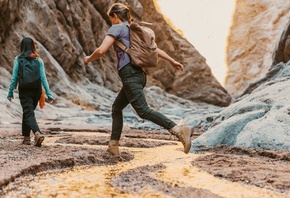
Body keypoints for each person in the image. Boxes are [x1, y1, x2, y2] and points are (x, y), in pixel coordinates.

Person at [84, 3, 192, 157]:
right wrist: (172, 61)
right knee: (116, 108)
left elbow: (101, 50)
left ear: (115, 16)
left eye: (111, 18)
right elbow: (155, 49)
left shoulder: (117, 28)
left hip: (130, 74)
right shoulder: (135, 29)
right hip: (140, 75)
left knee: (143, 111)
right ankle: (113, 146)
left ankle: (179, 130)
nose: (111, 22)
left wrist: (88, 59)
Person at [7, 37, 54, 147]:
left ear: (22, 47)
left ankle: (37, 133)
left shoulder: (18, 59)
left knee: (28, 113)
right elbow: (43, 78)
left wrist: (10, 91)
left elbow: (14, 77)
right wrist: (49, 93)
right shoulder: (38, 60)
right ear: (33, 46)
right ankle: (26, 138)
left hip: (24, 89)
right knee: (28, 112)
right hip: (36, 90)